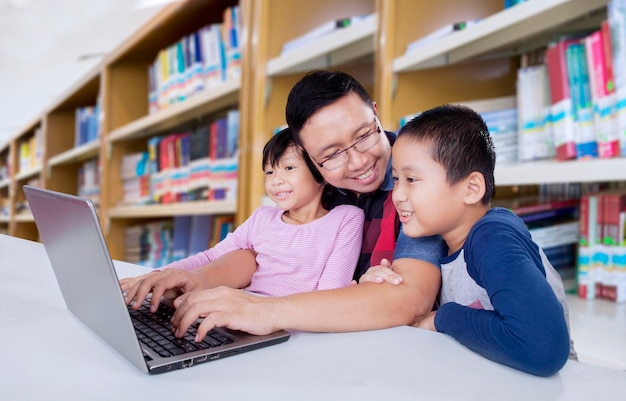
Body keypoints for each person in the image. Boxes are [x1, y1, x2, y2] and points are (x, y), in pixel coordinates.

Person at [123, 71, 446, 341]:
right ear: (308, 157)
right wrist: (190, 279)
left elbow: (409, 298)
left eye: (364, 135)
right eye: (331, 155)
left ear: (376, 113)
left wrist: (266, 309)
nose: (359, 161)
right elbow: (255, 253)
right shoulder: (321, 188)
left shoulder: (418, 175)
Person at [362, 104, 575, 376]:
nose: (398, 195)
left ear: (471, 188)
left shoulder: (492, 238)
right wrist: (381, 286)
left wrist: (444, 316)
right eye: (396, 180)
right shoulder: (445, 241)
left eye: (412, 179)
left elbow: (542, 349)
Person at [123, 128, 364, 307]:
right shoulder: (263, 218)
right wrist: (155, 277)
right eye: (269, 171)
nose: (275, 180)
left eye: (288, 168)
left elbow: (330, 296)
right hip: (239, 310)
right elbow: (211, 256)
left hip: (292, 321)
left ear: (320, 173)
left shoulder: (346, 219)